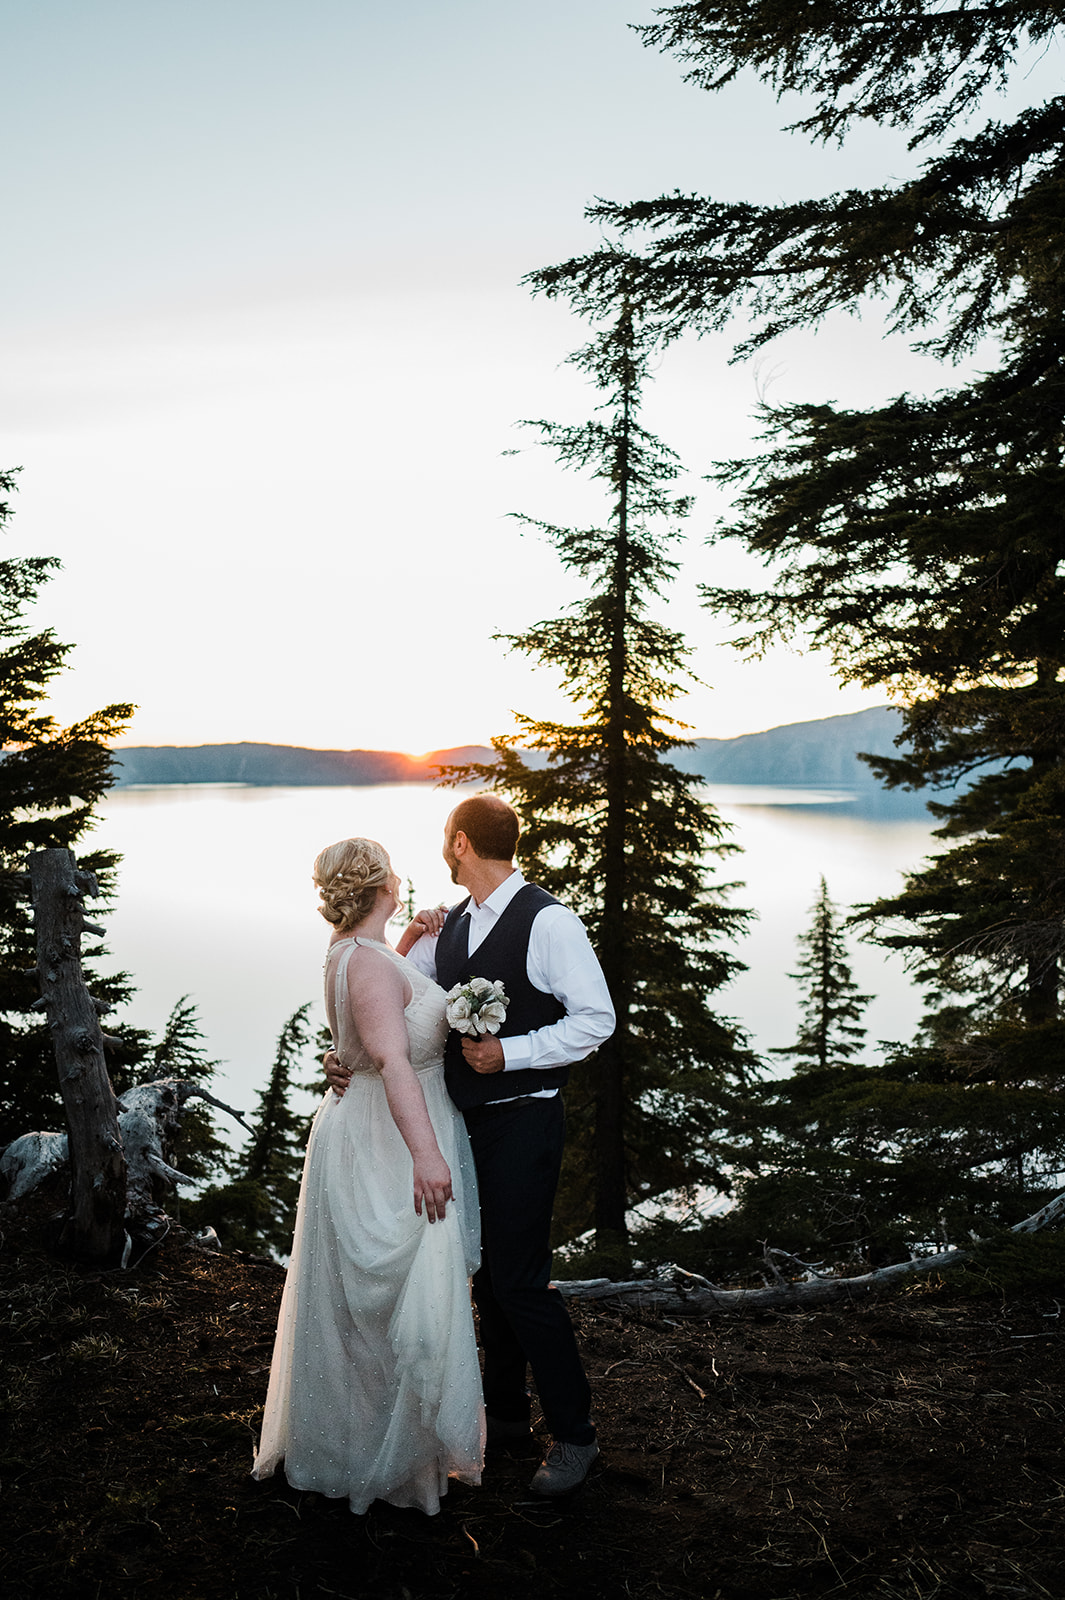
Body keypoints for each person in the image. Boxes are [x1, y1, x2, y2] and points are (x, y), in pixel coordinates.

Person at [326, 795, 615, 1496]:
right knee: (484, 1276)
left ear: (460, 843)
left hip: (523, 1118)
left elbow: (596, 1019)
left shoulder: (548, 921)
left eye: (443, 842)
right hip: (460, 1126)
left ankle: (576, 1438)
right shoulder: (443, 929)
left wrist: (510, 1054)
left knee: (518, 1280)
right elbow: (390, 1004)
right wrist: (346, 1059)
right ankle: (508, 1417)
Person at [252, 837, 484, 1516]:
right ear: (384, 882)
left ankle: (382, 1440)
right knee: (385, 1298)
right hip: (387, 1138)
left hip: (370, 1124)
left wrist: (411, 933)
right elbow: (393, 1056)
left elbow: (374, 1008)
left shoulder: (357, 952)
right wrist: (427, 1157)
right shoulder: (368, 965)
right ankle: (376, 1456)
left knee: (376, 1300)